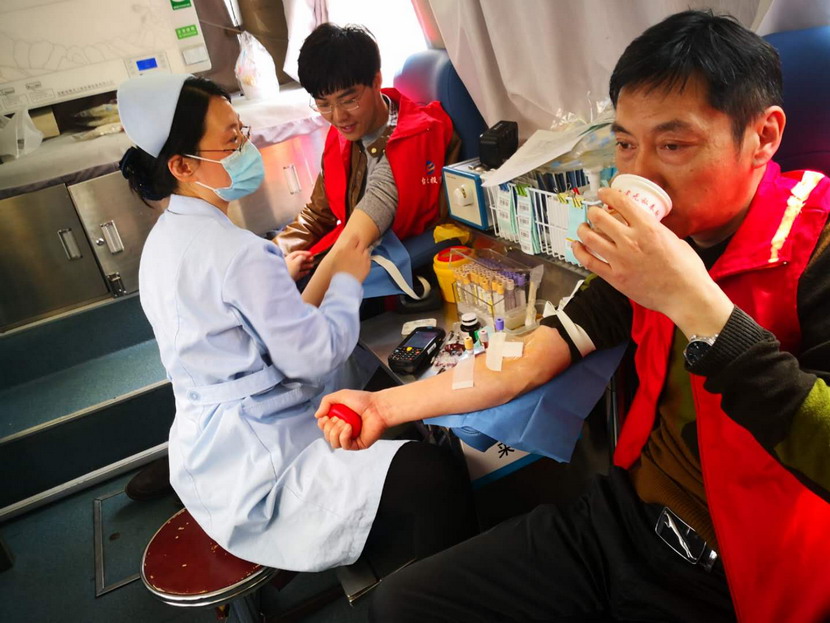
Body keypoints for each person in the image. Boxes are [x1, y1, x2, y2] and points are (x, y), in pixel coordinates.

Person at [315, 10, 830, 622]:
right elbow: (528, 357)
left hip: (743, 572)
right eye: (626, 144)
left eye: (673, 145)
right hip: (625, 522)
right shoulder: (645, 254)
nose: (639, 174)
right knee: (402, 604)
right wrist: (383, 406)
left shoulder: (816, 251)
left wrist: (694, 303)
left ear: (764, 136)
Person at [116, 73, 475, 572]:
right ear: (182, 165)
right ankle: (430, 591)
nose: (245, 149)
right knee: (435, 477)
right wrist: (346, 280)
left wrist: (281, 282)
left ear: (374, 85)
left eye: (242, 131)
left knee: (371, 381)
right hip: (265, 462)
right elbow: (314, 356)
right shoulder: (238, 252)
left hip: (208, 450)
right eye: (231, 140)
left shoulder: (163, 241)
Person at [275, 23, 460, 282]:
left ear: (376, 81)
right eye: (323, 104)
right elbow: (318, 213)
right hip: (351, 252)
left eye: (349, 100)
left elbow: (353, 242)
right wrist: (271, 255)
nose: (338, 117)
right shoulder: (344, 135)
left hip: (392, 273)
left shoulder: (410, 143)